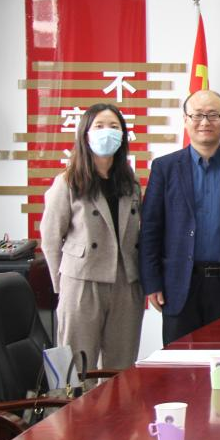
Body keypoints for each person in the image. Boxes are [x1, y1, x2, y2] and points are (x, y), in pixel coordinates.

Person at [138, 90, 220, 345]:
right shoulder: (165, 167)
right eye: (197, 115)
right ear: (185, 120)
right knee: (180, 363)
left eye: (213, 115)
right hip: (179, 284)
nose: (205, 122)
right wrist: (152, 282)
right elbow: (151, 228)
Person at [40, 103, 143, 369]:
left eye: (114, 126)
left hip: (125, 281)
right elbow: (50, 238)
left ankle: (116, 401)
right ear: (85, 134)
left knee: (121, 365)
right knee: (76, 366)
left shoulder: (130, 183)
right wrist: (62, 285)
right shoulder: (68, 181)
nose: (107, 132)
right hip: (82, 281)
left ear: (122, 136)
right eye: (99, 126)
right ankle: (73, 402)